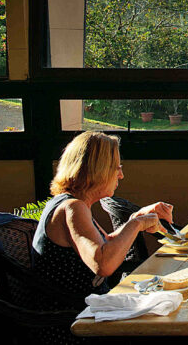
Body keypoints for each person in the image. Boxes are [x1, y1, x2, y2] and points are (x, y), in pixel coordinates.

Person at [33, 132, 173, 319]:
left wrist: (135, 218)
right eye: (116, 168)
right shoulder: (73, 208)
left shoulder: (71, 202)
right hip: (73, 322)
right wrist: (137, 224)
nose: (121, 175)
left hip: (88, 310)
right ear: (97, 170)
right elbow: (102, 264)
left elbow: (104, 243)